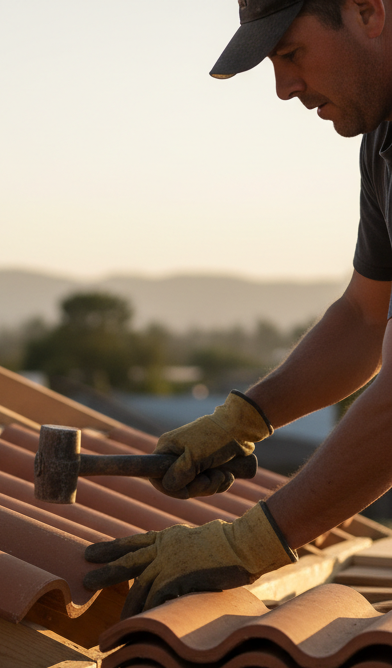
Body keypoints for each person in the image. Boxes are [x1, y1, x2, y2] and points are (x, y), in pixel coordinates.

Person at [85, 0, 392, 617]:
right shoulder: (383, 140)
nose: (284, 89)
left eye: (291, 54)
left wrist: (249, 542)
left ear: (366, 11)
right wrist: (245, 419)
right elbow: (365, 315)